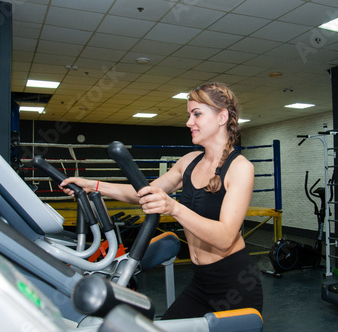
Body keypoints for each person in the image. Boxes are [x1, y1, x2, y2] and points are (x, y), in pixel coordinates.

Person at [60, 82, 263, 319]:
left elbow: (226, 238)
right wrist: (93, 186)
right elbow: (142, 193)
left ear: (222, 117)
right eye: (189, 115)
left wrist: (173, 207)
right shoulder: (189, 162)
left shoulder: (240, 168)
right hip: (200, 283)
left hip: (234, 284)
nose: (189, 122)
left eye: (197, 114)